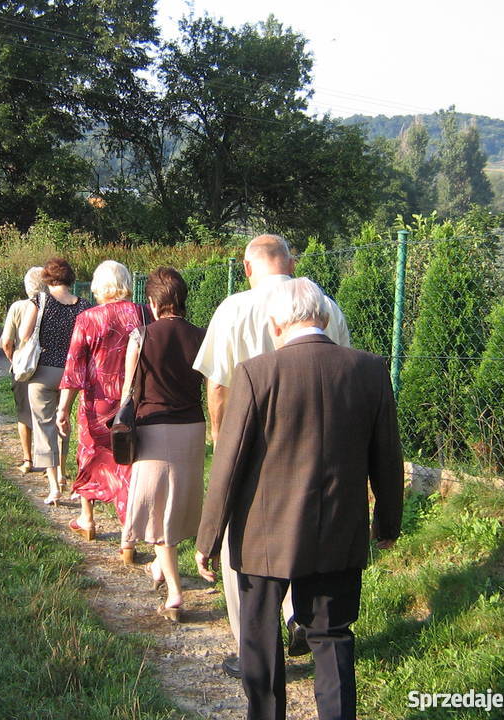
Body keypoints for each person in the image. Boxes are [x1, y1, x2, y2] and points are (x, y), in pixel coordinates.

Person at [194, 278, 404, 720]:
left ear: (275, 324)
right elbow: (387, 455)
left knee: (259, 634)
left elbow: (228, 463)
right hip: (339, 528)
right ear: (324, 318)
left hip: (264, 535)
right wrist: (387, 524)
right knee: (333, 635)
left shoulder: (256, 372)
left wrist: (208, 538)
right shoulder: (369, 369)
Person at [192, 234, 350, 676]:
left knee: (242, 543)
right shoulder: (325, 305)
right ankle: (298, 615)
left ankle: (253, 651)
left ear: (246, 267)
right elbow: (338, 371)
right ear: (292, 263)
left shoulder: (234, 308)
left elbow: (219, 384)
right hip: (314, 442)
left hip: (252, 440)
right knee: (303, 527)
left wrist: (222, 441)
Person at [119, 268, 206, 622]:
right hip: (192, 428)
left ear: (153, 303)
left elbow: (128, 388)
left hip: (154, 429)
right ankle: (159, 568)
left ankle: (174, 594)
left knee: (157, 510)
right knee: (180, 501)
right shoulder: (202, 336)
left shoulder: (141, 336)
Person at [56, 260, 146, 547]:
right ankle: (128, 538)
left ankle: (87, 519)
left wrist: (62, 409)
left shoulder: (88, 318)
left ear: (98, 286)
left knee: (90, 456)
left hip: (96, 405)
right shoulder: (144, 314)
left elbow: (74, 369)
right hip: (134, 402)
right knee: (130, 461)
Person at [19, 258, 91, 504]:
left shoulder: (39, 301)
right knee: (63, 421)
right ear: (71, 279)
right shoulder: (83, 305)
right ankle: (62, 474)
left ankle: (53, 486)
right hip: (71, 374)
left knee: (44, 427)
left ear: (47, 279)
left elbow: (24, 334)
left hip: (42, 372)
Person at [1, 266, 46, 473]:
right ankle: (48, 463)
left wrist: (13, 358)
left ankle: (27, 460)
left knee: (23, 414)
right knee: (47, 415)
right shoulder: (52, 306)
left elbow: (7, 341)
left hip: (22, 367)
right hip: (46, 365)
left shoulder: (17, 307)